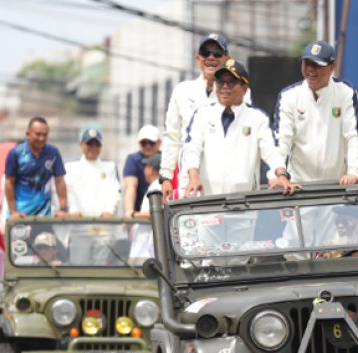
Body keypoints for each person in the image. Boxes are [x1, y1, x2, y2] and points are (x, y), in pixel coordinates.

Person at [174, 59, 285, 197]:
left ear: (244, 88)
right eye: (220, 82)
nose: (225, 87)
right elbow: (192, 148)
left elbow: (271, 152)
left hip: (245, 205)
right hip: (207, 203)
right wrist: (193, 175)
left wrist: (281, 175)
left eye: (231, 82)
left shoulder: (257, 118)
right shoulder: (202, 115)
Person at [160, 33, 251, 195]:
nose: (211, 57)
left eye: (217, 53)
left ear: (227, 58)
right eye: (205, 53)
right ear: (198, 58)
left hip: (229, 186)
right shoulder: (182, 91)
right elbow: (172, 137)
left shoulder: (240, 91)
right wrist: (166, 177)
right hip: (191, 184)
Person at [271, 40, 358, 194]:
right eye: (306, 63)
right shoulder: (289, 96)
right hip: (297, 187)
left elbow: (354, 135)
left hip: (336, 187)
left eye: (317, 65)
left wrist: (354, 172)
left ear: (332, 67)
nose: (310, 70)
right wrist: (280, 174)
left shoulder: (346, 93)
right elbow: (282, 139)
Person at [4, 116, 69, 219]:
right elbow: (9, 182)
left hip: (44, 216)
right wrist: (13, 211)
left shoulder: (53, 153)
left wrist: (63, 210)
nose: (41, 138)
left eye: (45, 135)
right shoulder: (16, 153)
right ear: (28, 134)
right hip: (21, 215)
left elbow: (60, 181)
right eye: (38, 134)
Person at [59, 127, 120, 218]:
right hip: (78, 225)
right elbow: (68, 191)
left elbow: (115, 191)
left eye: (97, 144)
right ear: (81, 145)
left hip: (104, 225)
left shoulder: (110, 167)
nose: (93, 148)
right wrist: (73, 210)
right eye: (89, 144)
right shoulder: (71, 168)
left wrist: (109, 210)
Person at [122, 124, 161, 218]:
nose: (148, 146)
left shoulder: (167, 159)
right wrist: (130, 213)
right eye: (144, 143)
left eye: (151, 143)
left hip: (159, 209)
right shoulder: (133, 159)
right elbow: (131, 186)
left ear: (159, 142)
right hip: (139, 211)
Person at [134, 153, 162, 218]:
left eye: (147, 166)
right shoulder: (155, 185)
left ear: (151, 169)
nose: (145, 170)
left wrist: (133, 215)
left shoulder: (157, 186)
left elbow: (156, 212)